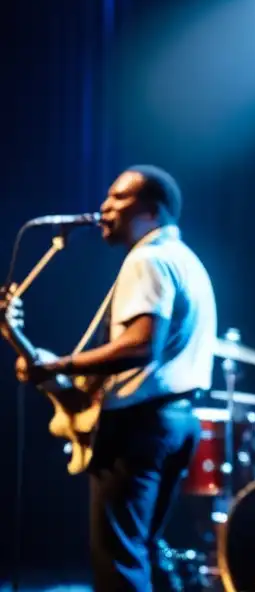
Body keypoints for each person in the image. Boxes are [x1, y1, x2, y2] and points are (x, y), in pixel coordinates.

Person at [14, 165, 216, 591]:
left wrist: (57, 366)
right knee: (139, 550)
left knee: (119, 560)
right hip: (177, 422)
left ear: (152, 211)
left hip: (138, 426)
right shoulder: (187, 260)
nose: (104, 207)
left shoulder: (147, 258)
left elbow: (142, 346)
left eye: (118, 198)